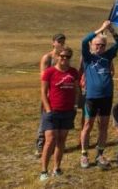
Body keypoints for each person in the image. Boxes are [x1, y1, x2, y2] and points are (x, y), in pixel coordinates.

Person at [80, 20, 118, 169]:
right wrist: (101, 29)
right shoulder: (88, 57)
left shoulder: (107, 56)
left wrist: (111, 29)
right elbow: (84, 40)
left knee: (103, 125)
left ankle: (100, 153)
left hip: (106, 96)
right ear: (92, 46)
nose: (99, 47)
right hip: (92, 97)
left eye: (102, 45)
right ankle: (84, 154)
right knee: (88, 125)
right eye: (96, 44)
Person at [39, 46, 79, 181]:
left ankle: (57, 168)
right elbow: (43, 93)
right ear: (57, 57)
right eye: (62, 56)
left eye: (67, 57)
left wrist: (75, 106)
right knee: (50, 140)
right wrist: (48, 110)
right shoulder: (49, 72)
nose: (64, 59)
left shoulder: (73, 72)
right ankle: (44, 171)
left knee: (61, 140)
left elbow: (76, 91)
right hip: (52, 111)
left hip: (67, 111)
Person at [35, 33, 67, 157]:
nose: (61, 44)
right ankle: (40, 145)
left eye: (63, 42)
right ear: (53, 43)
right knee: (45, 119)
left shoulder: (63, 58)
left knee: (57, 120)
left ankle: (54, 144)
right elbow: (43, 76)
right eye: (59, 41)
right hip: (48, 94)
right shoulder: (47, 58)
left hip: (60, 94)